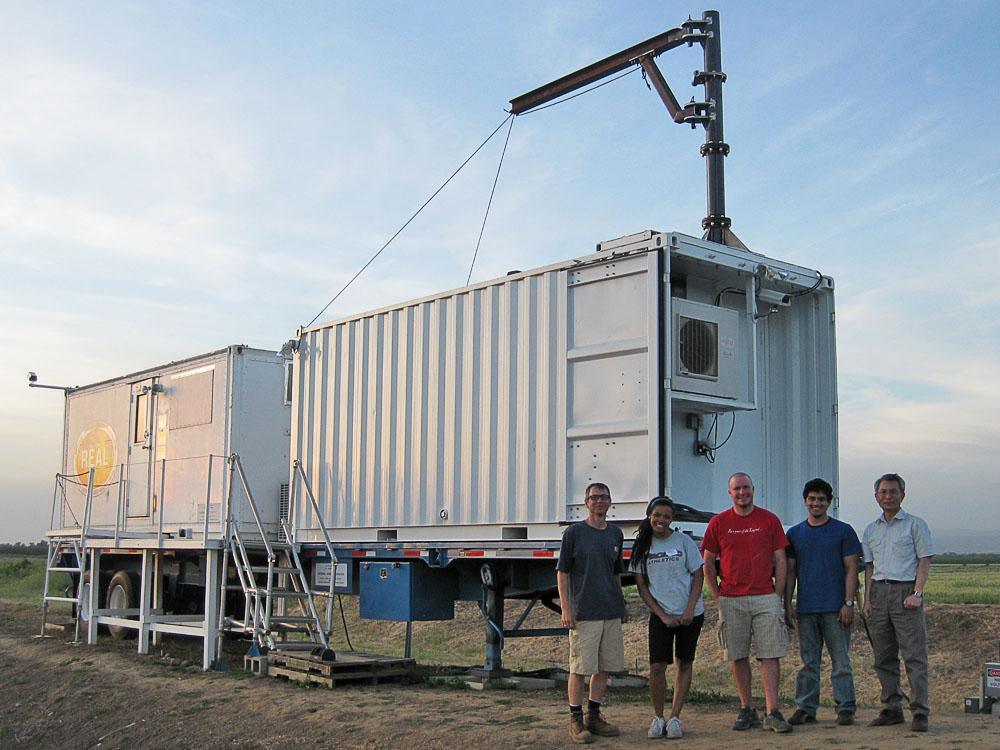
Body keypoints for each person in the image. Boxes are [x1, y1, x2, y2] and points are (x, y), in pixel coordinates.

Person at [701, 472, 793, 733]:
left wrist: (777, 595)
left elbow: (782, 560)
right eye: (736, 489)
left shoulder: (769, 520)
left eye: (745, 488)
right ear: (729, 493)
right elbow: (708, 562)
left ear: (753, 489)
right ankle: (746, 708)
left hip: (766, 596)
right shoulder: (719, 523)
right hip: (731, 598)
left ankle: (772, 711)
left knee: (770, 654)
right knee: (737, 654)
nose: (742, 493)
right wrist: (717, 598)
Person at [783, 478, 862, 726]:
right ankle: (806, 708)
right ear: (805, 501)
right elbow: (791, 572)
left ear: (829, 502)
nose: (816, 503)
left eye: (821, 499)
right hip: (806, 609)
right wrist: (787, 604)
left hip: (836, 609)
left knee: (841, 662)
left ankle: (846, 708)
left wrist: (848, 603)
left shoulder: (844, 531)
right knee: (809, 663)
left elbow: (852, 569)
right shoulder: (795, 534)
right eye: (812, 499)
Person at [861, 472, 934, 732]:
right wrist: (867, 599)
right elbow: (869, 567)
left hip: (906, 593)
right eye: (883, 492)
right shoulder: (871, 530)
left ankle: (920, 712)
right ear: (876, 496)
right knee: (883, 656)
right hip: (879, 593)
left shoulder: (915, 525)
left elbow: (924, 560)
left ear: (902, 495)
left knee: (914, 656)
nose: (888, 496)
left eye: (893, 491)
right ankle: (891, 707)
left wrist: (918, 593)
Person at [556, 482, 627, 744]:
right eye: (594, 497)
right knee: (580, 668)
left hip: (610, 610)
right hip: (584, 612)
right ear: (586, 503)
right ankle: (575, 718)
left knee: (605, 667)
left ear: (610, 502)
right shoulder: (574, 533)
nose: (599, 501)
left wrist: (622, 603)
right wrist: (566, 607)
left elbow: (616, 572)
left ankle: (593, 716)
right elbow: (562, 571)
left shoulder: (615, 534)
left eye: (603, 497)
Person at [631, 496, 705, 739]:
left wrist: (688, 610)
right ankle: (658, 717)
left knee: (684, 663)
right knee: (657, 667)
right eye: (657, 515)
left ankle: (675, 718)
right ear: (649, 516)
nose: (661, 520)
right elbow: (642, 586)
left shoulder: (683, 541)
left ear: (672, 519)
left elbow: (698, 575)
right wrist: (661, 615)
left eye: (666, 516)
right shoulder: (642, 545)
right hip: (661, 616)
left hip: (689, 615)